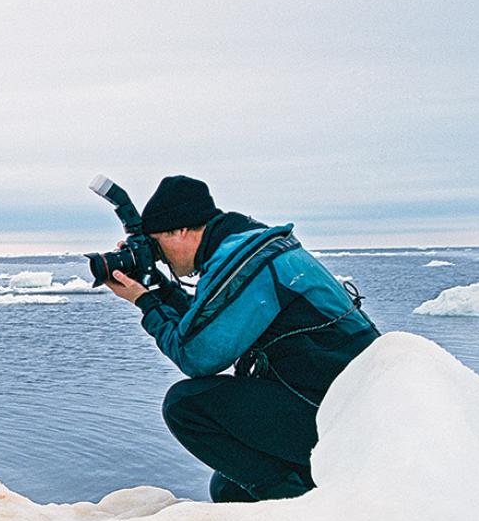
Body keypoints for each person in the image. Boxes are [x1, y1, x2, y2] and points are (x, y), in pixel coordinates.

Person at [104, 176, 380, 502]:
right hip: (343, 405)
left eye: (156, 244)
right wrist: (161, 290)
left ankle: (298, 509)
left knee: (185, 406)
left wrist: (145, 303)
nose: (159, 256)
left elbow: (196, 356)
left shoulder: (245, 264)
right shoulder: (247, 247)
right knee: (228, 488)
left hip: (342, 418)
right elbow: (212, 321)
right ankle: (298, 494)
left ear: (180, 231)